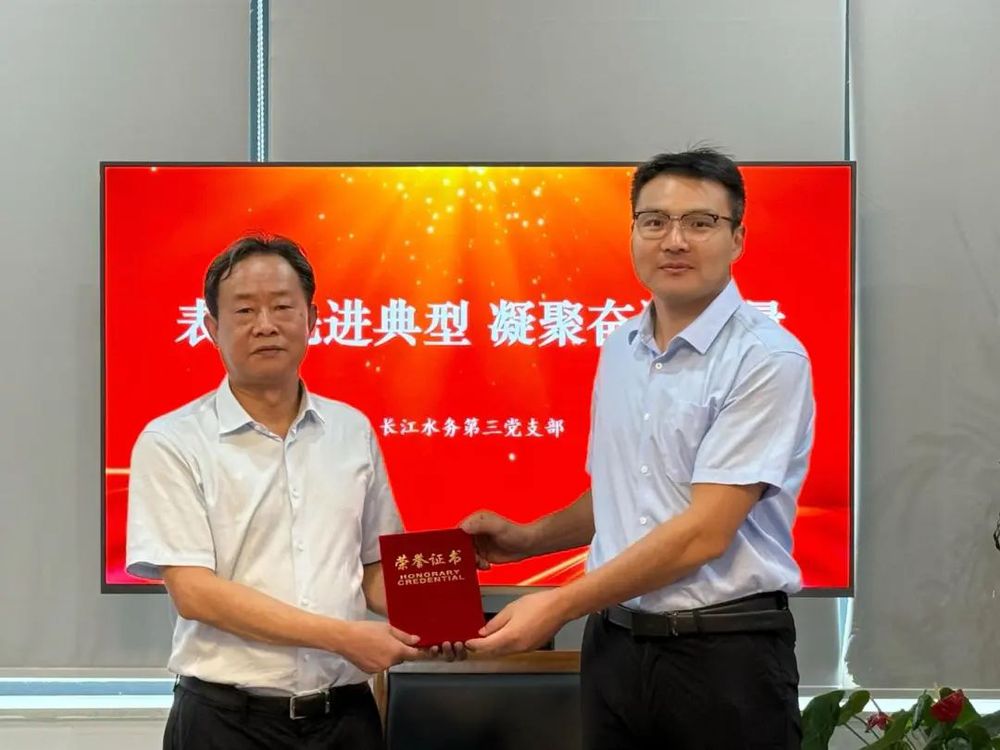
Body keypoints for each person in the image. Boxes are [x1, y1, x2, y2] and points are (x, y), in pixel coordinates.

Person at [462, 148, 814, 749]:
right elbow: (625, 496)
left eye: (699, 222)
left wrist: (559, 604)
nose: (674, 241)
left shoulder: (766, 358)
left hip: (723, 655)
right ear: (632, 233)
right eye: (654, 222)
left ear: (737, 239)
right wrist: (528, 539)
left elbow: (704, 532)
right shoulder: (621, 348)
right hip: (615, 649)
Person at [127, 234, 445, 750]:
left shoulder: (351, 430)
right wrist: (341, 636)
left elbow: (373, 568)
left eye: (282, 306)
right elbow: (194, 592)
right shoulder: (172, 441)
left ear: (312, 319)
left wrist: (444, 620)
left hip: (345, 720)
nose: (265, 325)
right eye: (244, 310)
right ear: (211, 328)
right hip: (226, 723)